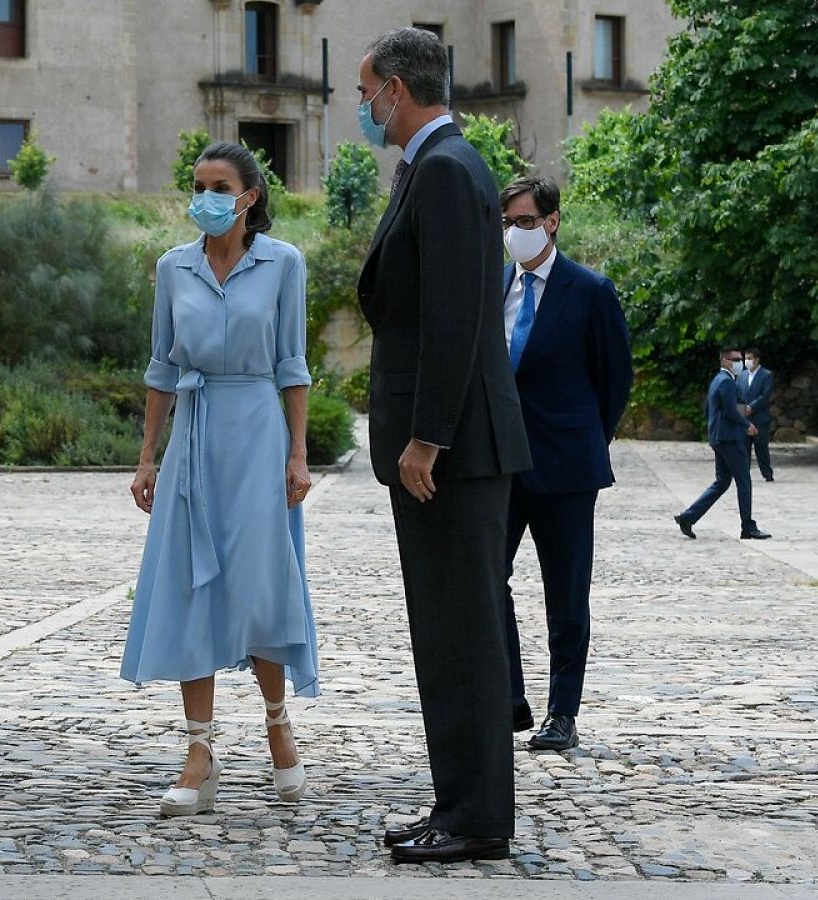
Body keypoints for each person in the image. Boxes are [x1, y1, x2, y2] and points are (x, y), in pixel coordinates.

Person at [353, 28, 532, 864]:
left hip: (454, 453)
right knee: (445, 634)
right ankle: (458, 802)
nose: (363, 107)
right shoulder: (430, 166)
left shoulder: (449, 170)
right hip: (446, 450)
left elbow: (457, 318)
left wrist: (426, 437)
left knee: (463, 636)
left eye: (367, 92)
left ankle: (478, 818)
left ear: (396, 88)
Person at [122, 142, 320, 818]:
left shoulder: (283, 263)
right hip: (194, 436)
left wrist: (299, 454)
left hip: (259, 433)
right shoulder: (172, 267)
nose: (204, 197)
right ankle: (199, 751)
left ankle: (278, 726)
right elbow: (161, 368)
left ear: (248, 197)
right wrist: (148, 456)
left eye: (219, 186)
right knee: (192, 585)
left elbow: (293, 365)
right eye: (197, 184)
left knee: (261, 580)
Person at [497, 176, 634, 754]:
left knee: (567, 595)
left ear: (552, 222)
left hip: (567, 468)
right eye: (508, 223)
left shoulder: (590, 290)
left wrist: (586, 441)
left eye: (526, 222)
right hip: (501, 465)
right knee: (487, 578)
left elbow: (615, 379)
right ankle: (509, 698)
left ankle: (563, 713)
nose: (515, 232)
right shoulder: (494, 286)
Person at [674, 348, 771, 540]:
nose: (740, 363)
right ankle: (748, 527)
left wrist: (739, 414)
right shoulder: (726, 381)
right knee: (744, 480)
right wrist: (747, 425)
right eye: (736, 359)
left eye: (740, 359)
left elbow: (713, 408)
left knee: (722, 482)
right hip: (729, 438)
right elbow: (730, 411)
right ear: (725, 361)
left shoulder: (718, 380)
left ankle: (688, 517)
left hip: (720, 437)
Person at [740, 348, 775, 481]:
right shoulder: (742, 375)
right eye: (746, 358)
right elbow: (738, 393)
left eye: (750, 358)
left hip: (760, 417)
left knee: (761, 447)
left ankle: (767, 473)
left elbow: (765, 395)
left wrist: (752, 407)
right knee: (744, 447)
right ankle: (744, 473)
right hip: (744, 417)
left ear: (757, 359)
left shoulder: (766, 375)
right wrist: (742, 409)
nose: (747, 361)